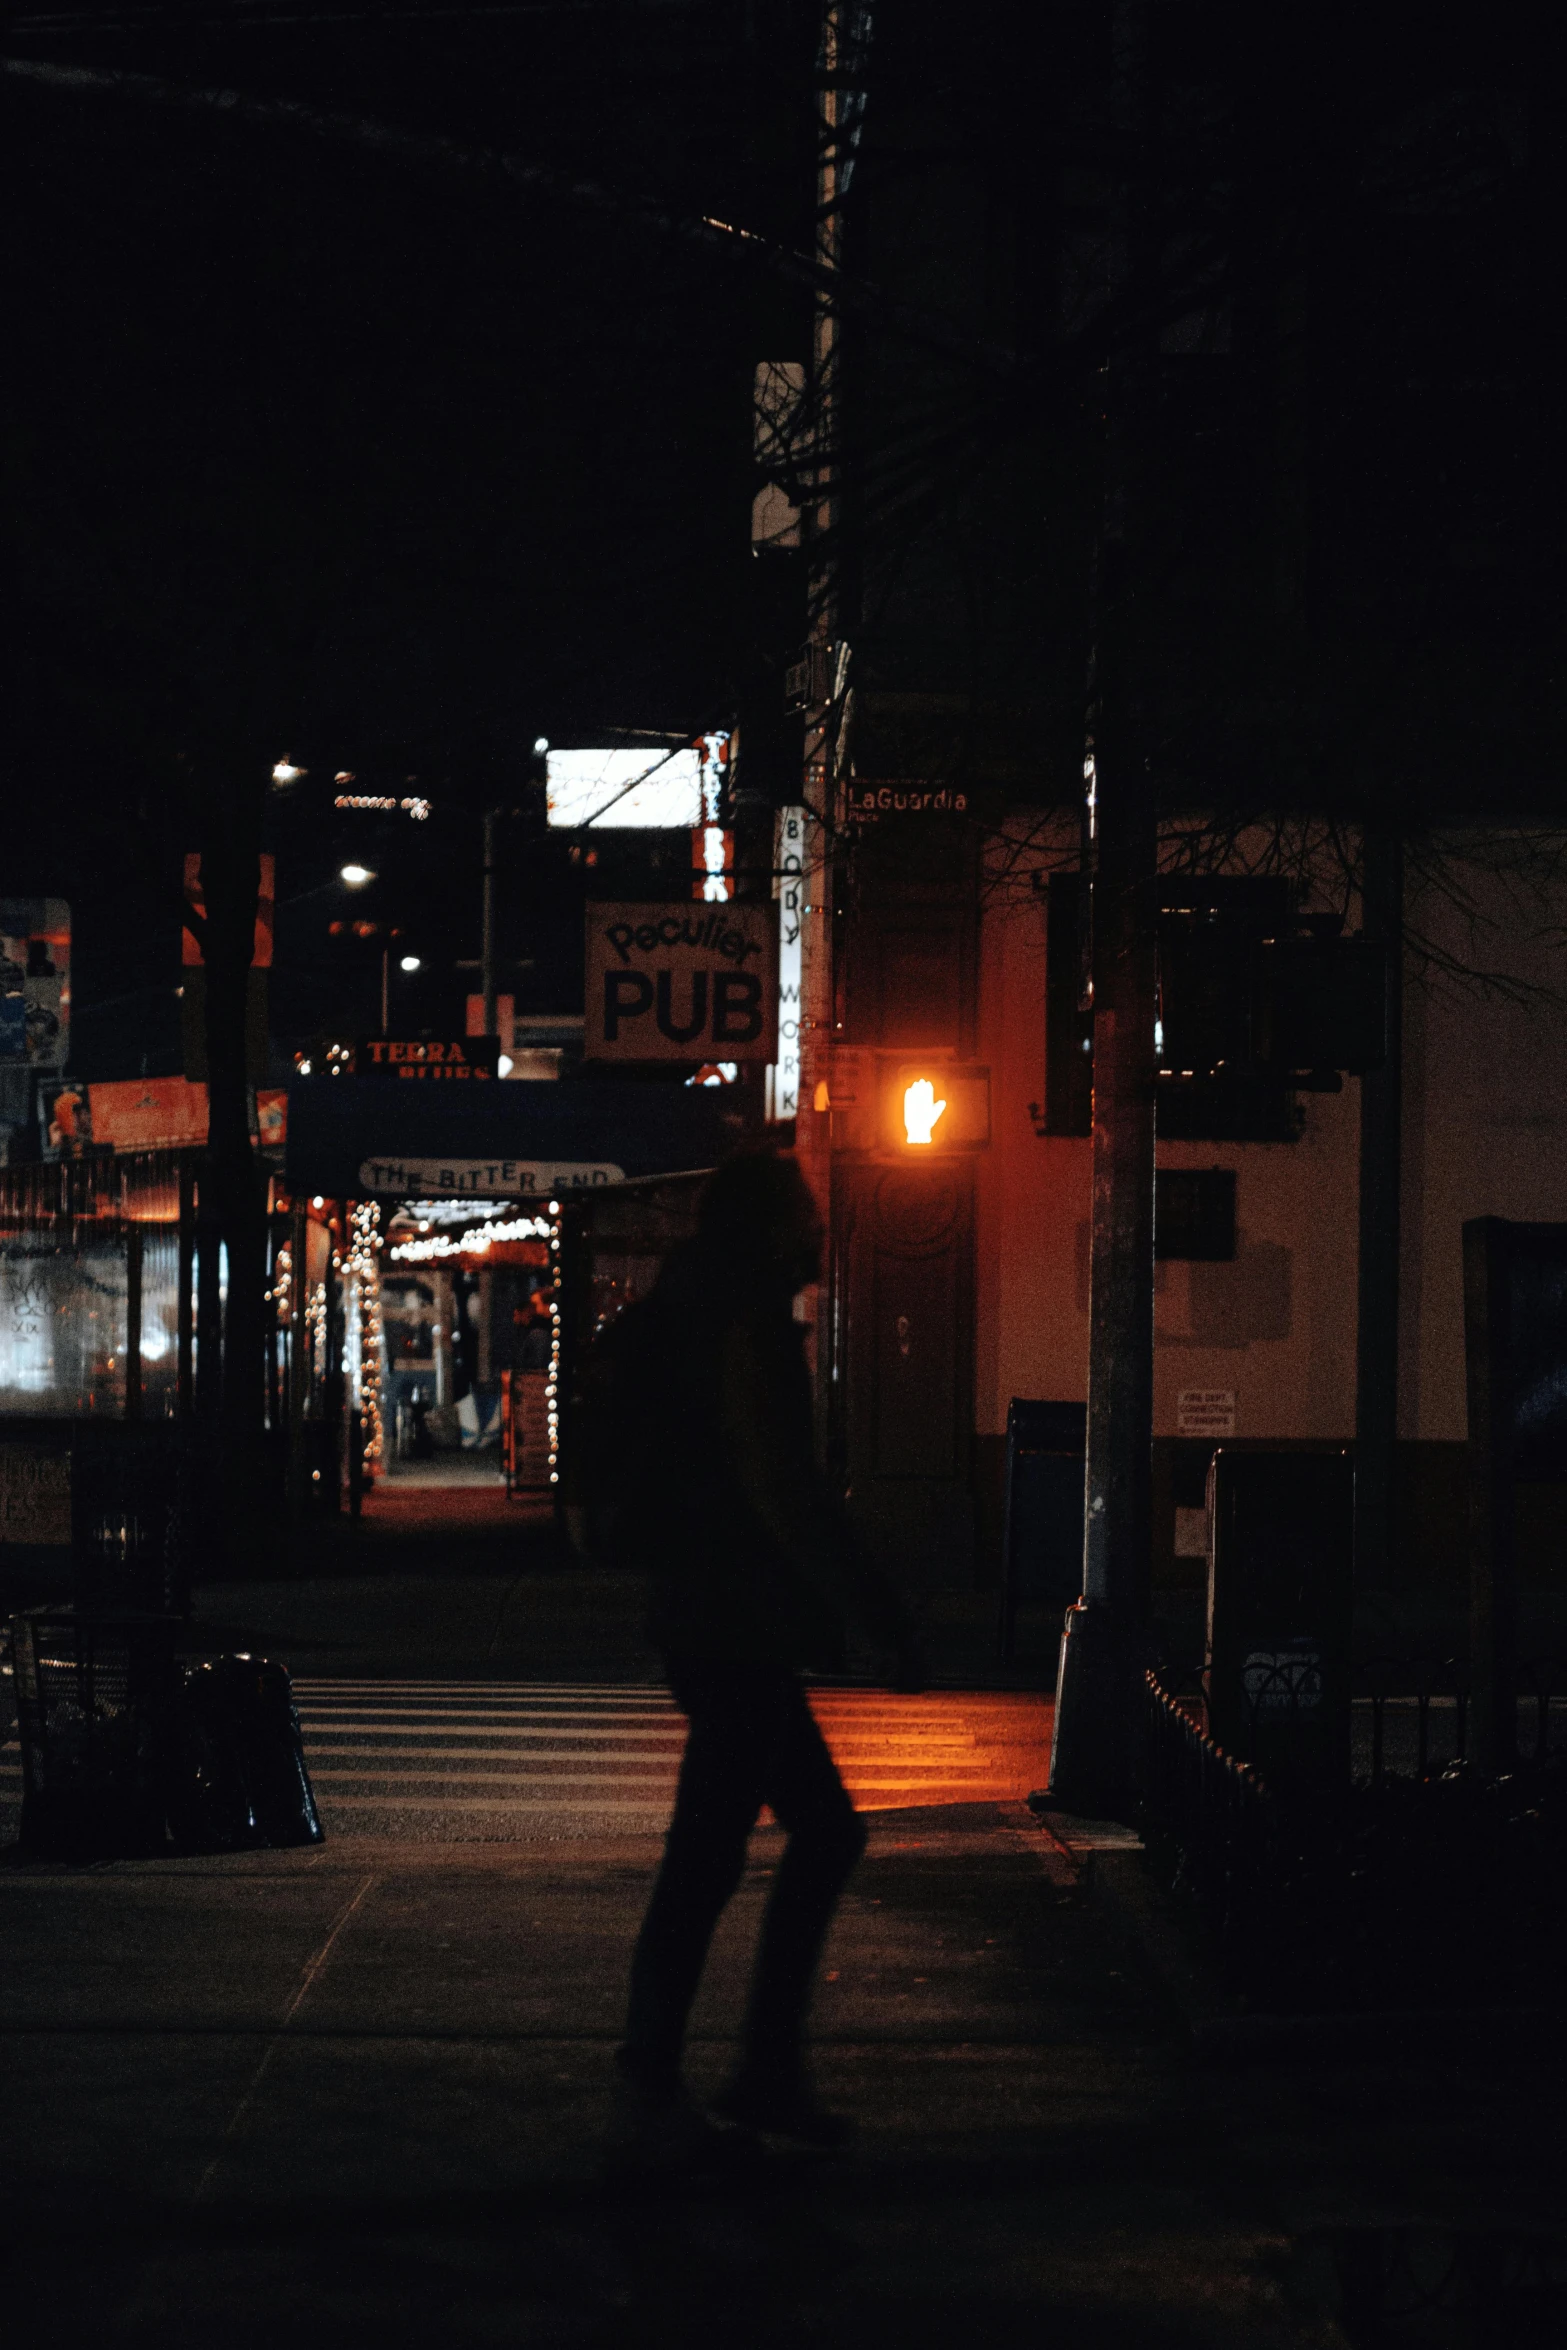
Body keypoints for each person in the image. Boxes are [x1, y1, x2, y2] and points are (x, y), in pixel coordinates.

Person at [594, 1148, 920, 2169]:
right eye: (809, 1219)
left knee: (804, 1834)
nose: (822, 1236)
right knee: (734, 1851)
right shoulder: (745, 1328)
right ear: (777, 1230)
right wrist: (870, 1607)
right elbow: (782, 1490)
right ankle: (674, 2072)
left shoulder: (697, 1307)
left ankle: (744, 2069)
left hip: (713, 1617)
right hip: (734, 1620)